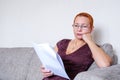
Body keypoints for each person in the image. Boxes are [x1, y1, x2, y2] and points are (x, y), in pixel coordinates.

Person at [41, 12, 112, 80]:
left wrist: (90, 41)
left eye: (84, 26)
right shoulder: (62, 43)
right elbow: (49, 63)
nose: (79, 29)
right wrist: (46, 70)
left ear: (91, 29)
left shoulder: (93, 47)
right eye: (76, 25)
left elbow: (105, 64)